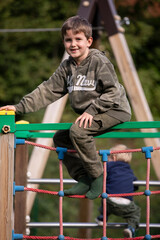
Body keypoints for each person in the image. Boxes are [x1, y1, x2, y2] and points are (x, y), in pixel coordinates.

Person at [0, 16, 131, 200]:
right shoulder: (67, 66)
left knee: (78, 131)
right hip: (92, 112)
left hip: (113, 109)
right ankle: (83, 178)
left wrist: (91, 111)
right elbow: (46, 90)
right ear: (64, 42)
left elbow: (112, 92)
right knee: (60, 138)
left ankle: (97, 177)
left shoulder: (98, 61)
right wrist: (18, 107)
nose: (73, 44)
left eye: (78, 39)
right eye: (68, 40)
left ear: (89, 41)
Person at [95, 144, 141, 237]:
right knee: (136, 213)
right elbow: (135, 184)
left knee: (104, 199)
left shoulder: (108, 165)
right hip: (126, 204)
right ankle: (131, 228)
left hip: (110, 202)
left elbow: (99, 174)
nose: (107, 160)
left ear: (114, 158)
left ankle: (102, 219)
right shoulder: (129, 170)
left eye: (108, 158)